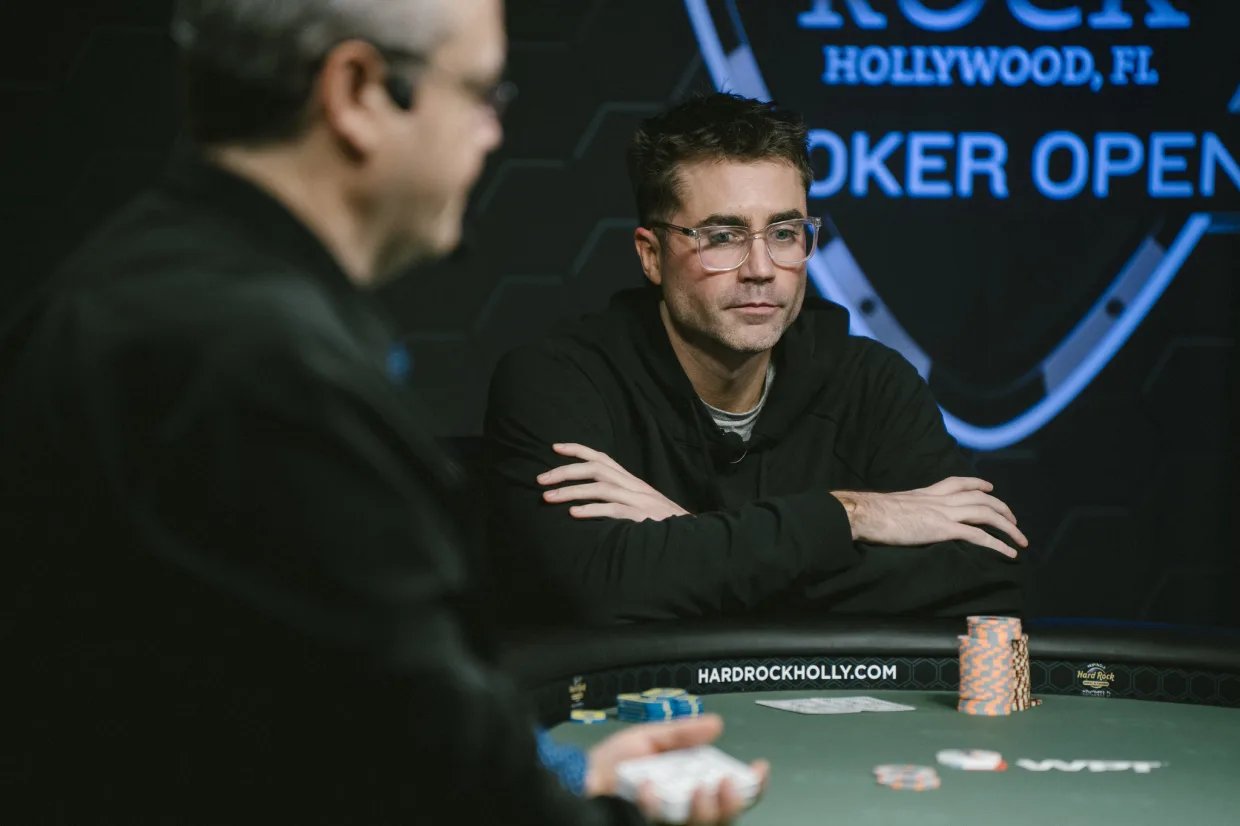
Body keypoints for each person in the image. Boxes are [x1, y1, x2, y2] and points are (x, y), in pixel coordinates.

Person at [0, 3, 765, 823]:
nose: (492, 134)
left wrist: (563, 782)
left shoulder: (129, 287)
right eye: (478, 93)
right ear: (358, 92)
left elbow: (293, 723)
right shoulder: (268, 374)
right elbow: (428, 787)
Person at [485, 93, 1028, 627]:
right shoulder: (558, 382)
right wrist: (850, 515)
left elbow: (987, 575)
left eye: (786, 233)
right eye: (723, 237)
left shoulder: (873, 383)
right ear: (651, 255)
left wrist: (691, 536)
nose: (761, 269)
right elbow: (597, 589)